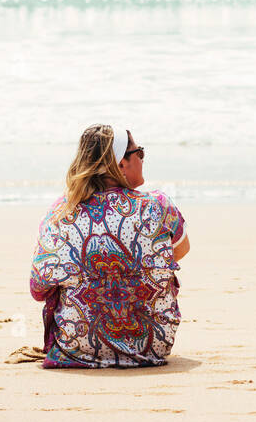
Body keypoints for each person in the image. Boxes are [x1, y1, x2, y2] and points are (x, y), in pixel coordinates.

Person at [29, 124, 191, 368]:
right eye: (140, 153)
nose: (143, 160)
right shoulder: (158, 206)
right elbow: (179, 251)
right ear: (121, 163)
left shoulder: (60, 214)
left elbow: (38, 289)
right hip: (151, 345)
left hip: (78, 345)